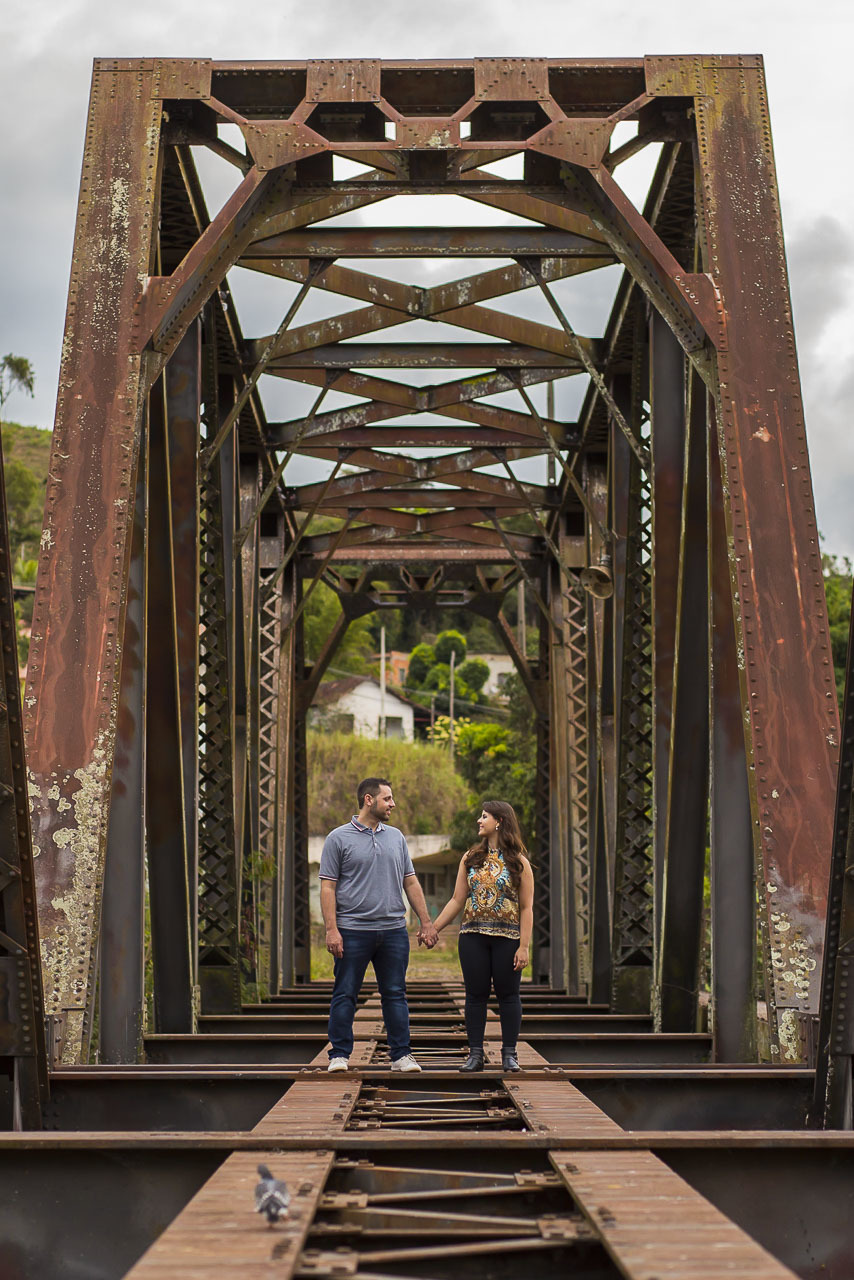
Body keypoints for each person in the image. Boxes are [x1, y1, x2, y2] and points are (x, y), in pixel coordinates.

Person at [319, 777, 438, 1073]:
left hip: (394, 931)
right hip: (352, 930)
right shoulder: (338, 838)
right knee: (345, 992)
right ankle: (339, 1055)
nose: (393, 804)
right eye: (388, 799)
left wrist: (426, 922)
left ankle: (401, 1056)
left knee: (395, 993)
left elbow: (410, 881)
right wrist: (331, 929)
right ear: (369, 800)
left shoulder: (396, 837)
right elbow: (328, 887)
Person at [430, 800, 534, 1072]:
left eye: (484, 816)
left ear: (499, 821)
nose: (479, 820)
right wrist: (434, 928)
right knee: (475, 995)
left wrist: (524, 946)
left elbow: (526, 907)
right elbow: (456, 900)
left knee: (508, 995)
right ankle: (475, 1054)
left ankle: (509, 1055)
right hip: (473, 936)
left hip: (508, 938)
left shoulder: (519, 863)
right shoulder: (470, 859)